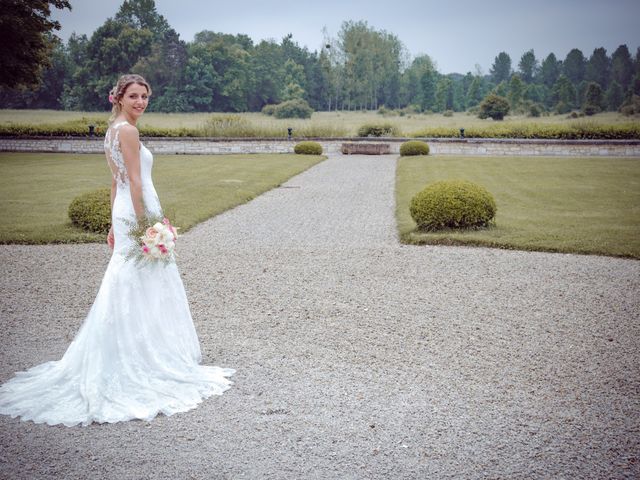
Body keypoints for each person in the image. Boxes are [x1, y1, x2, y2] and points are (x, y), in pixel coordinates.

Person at [0, 74, 234, 427]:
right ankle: (141, 356)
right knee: (141, 277)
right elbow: (133, 181)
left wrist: (116, 223)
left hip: (127, 210)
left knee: (131, 278)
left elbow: (116, 182)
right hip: (137, 212)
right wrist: (147, 227)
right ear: (119, 98)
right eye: (134, 96)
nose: (141, 102)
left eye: (145, 96)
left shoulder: (112, 130)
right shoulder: (127, 131)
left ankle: (137, 347)